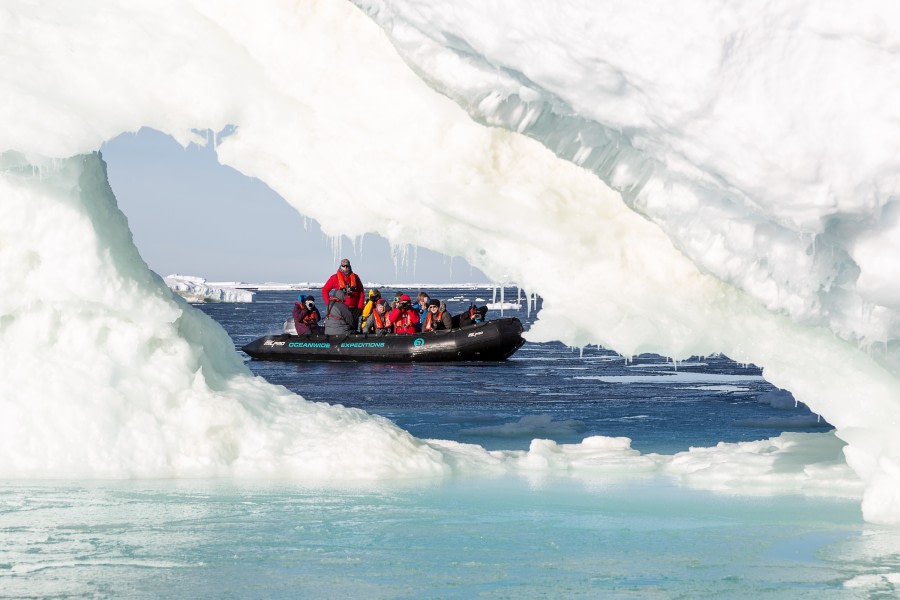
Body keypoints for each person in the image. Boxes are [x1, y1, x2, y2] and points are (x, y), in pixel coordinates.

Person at [321, 258, 365, 326]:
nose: (345, 268)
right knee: (342, 328)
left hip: (354, 309)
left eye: (347, 266)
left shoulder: (356, 277)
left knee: (353, 329)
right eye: (343, 266)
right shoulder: (334, 278)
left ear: (349, 266)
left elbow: (361, 292)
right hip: (340, 310)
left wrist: (360, 307)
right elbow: (325, 290)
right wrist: (330, 305)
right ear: (340, 266)